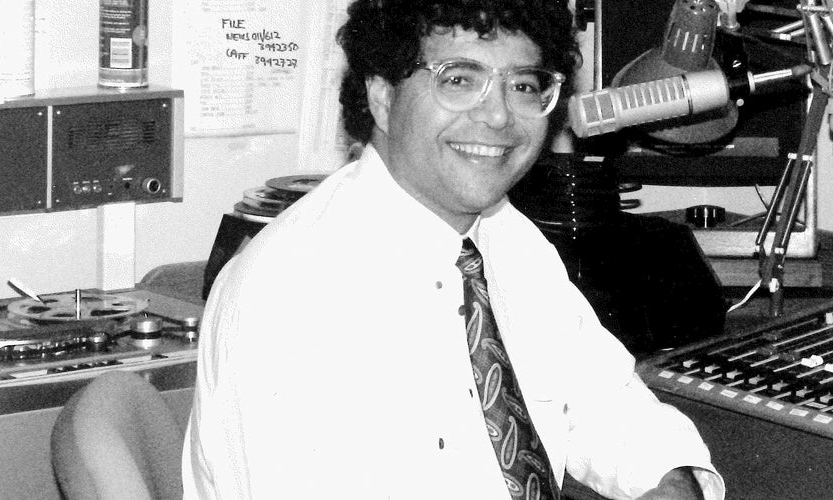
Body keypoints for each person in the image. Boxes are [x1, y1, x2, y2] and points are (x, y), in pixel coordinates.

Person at [181, 0, 725, 498]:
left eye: (523, 85)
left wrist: (670, 485)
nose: (499, 116)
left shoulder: (505, 237)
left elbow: (608, 407)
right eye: (460, 80)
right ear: (383, 97)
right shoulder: (290, 299)